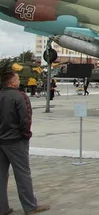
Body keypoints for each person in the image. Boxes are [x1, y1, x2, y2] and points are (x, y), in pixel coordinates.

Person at [0, 71, 51, 214]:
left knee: (1, 175)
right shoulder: (20, 96)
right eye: (16, 79)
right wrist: (26, 135)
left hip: (1, 141)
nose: (18, 81)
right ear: (12, 82)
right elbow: (25, 118)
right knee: (22, 174)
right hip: (16, 141)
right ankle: (30, 206)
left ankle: (2, 208)